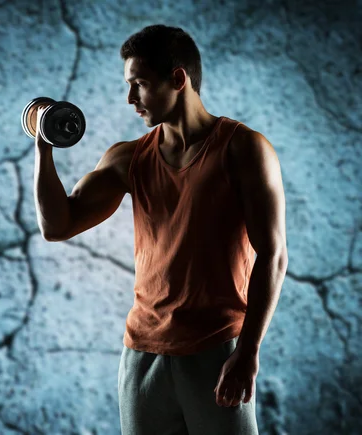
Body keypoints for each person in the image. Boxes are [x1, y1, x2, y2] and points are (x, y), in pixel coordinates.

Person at [33, 24, 288, 435]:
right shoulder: (128, 158)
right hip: (141, 354)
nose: (130, 99)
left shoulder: (244, 149)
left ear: (178, 79)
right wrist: (43, 145)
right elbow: (56, 226)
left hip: (216, 348)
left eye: (140, 84)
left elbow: (273, 255)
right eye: (128, 85)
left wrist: (248, 352)